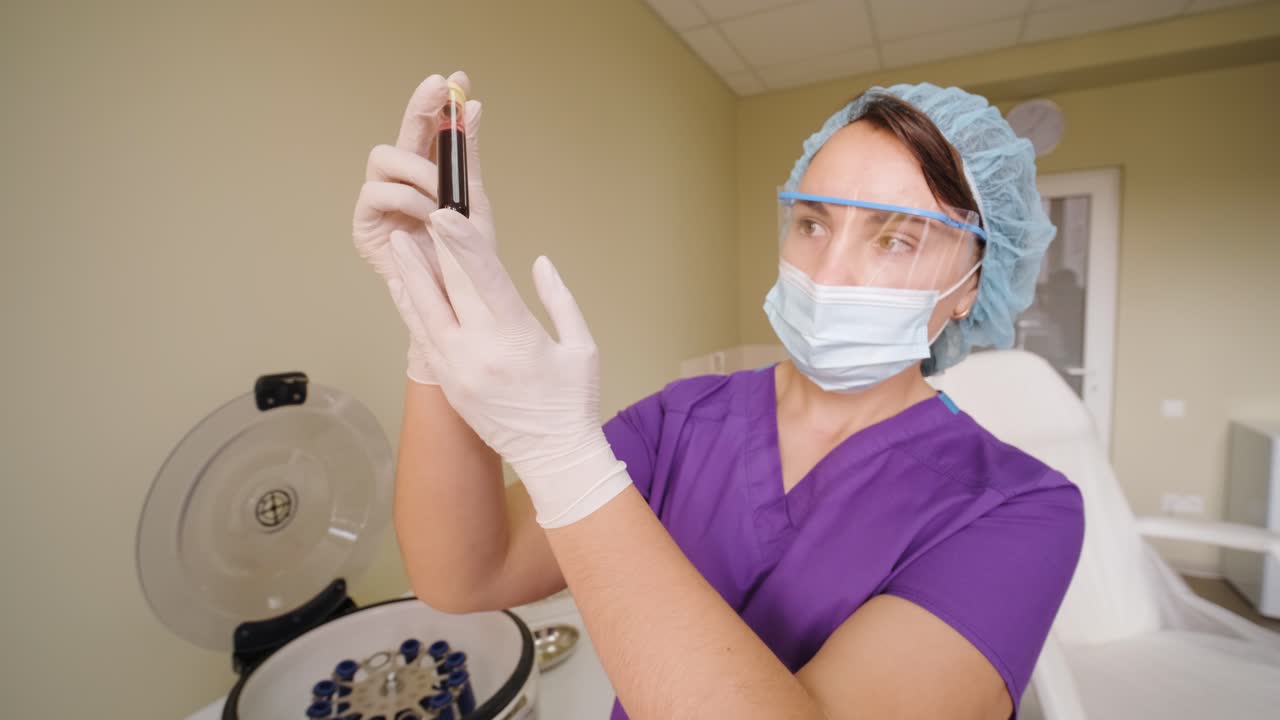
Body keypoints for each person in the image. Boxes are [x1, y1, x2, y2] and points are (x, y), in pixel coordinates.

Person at [353, 71, 1085, 720]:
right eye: (812, 223)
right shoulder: (684, 418)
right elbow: (467, 572)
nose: (830, 270)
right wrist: (436, 313)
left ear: (974, 286)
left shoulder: (1020, 509)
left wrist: (564, 457)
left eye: (896, 239)